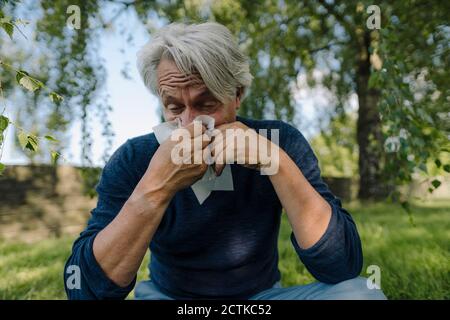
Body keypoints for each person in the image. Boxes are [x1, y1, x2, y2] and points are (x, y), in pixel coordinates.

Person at [63, 22, 386, 300]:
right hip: (168, 296)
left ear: (238, 93)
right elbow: (84, 289)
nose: (189, 125)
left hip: (259, 299)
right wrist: (155, 188)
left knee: (360, 293)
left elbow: (341, 265)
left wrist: (276, 163)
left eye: (206, 104)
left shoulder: (279, 140)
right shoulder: (135, 157)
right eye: (174, 108)